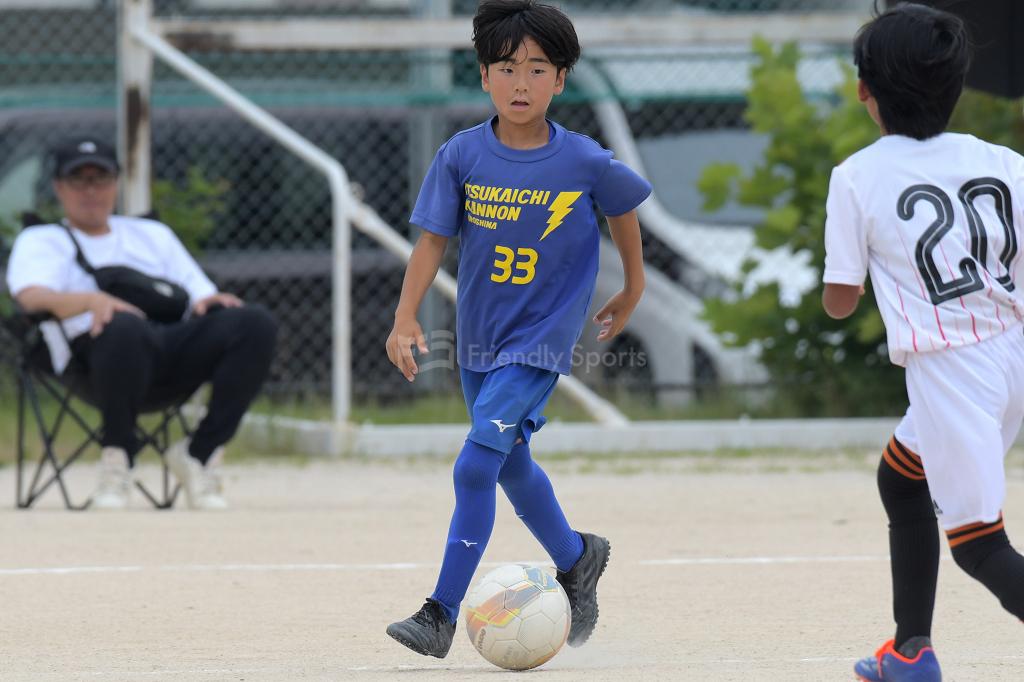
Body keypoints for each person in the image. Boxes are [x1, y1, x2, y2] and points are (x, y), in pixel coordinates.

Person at [383, 0, 651, 659]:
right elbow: (432, 240)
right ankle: (577, 556)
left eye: (537, 68)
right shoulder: (461, 154)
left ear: (561, 79)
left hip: (539, 343)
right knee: (510, 463)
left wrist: (633, 287)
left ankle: (439, 614)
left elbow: (624, 209)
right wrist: (405, 315)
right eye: (506, 68)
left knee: (476, 465)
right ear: (483, 77)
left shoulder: (584, 160)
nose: (521, 82)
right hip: (479, 338)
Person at [822, 4, 1024, 680]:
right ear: (958, 85)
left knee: (980, 545)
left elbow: (840, 298)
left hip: (951, 370)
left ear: (864, 91)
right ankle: (911, 651)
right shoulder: (1006, 163)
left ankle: (913, 653)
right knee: (901, 478)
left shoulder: (858, 175)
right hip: (1012, 353)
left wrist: (851, 286)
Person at [6, 135, 277, 511]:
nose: (90, 190)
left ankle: (199, 453)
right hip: (91, 360)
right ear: (58, 187)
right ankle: (117, 458)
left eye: (100, 179)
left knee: (254, 323)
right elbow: (30, 296)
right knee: (122, 324)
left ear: (116, 183)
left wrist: (212, 303)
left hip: (168, 351)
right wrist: (92, 301)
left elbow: (200, 294)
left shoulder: (152, 235)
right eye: (78, 180)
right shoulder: (43, 239)